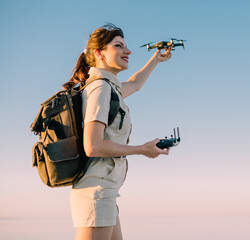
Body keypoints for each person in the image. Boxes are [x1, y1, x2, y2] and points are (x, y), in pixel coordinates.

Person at [63, 23, 172, 240]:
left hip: (105, 191)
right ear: (99, 53)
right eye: (119, 45)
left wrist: (156, 59)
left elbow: (135, 83)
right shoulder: (101, 88)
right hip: (96, 193)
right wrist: (142, 149)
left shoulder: (108, 87)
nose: (128, 51)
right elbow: (93, 146)